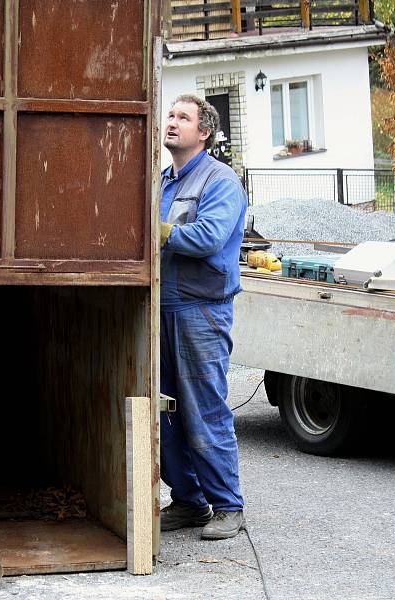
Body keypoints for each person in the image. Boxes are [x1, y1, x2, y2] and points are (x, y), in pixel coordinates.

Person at [158, 94, 248, 540]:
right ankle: (189, 501)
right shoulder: (163, 182)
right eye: (170, 115)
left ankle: (228, 505)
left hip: (202, 311)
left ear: (204, 132)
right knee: (167, 411)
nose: (172, 122)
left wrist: (164, 232)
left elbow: (211, 237)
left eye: (183, 117)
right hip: (164, 308)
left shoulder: (221, 181)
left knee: (203, 408)